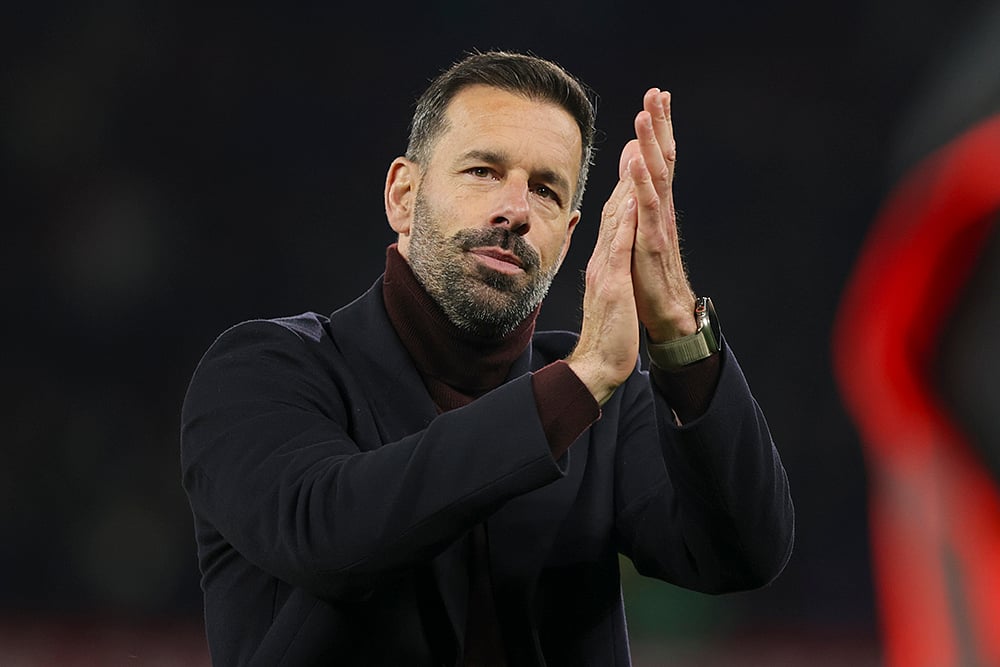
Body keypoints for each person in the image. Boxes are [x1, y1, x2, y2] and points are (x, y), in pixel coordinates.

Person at [181, 50, 794, 666]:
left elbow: (744, 552)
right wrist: (578, 385)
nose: (516, 211)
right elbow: (328, 537)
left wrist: (678, 329)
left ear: (569, 237)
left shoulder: (608, 404)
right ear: (403, 194)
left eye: (546, 191)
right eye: (482, 171)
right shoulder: (264, 370)